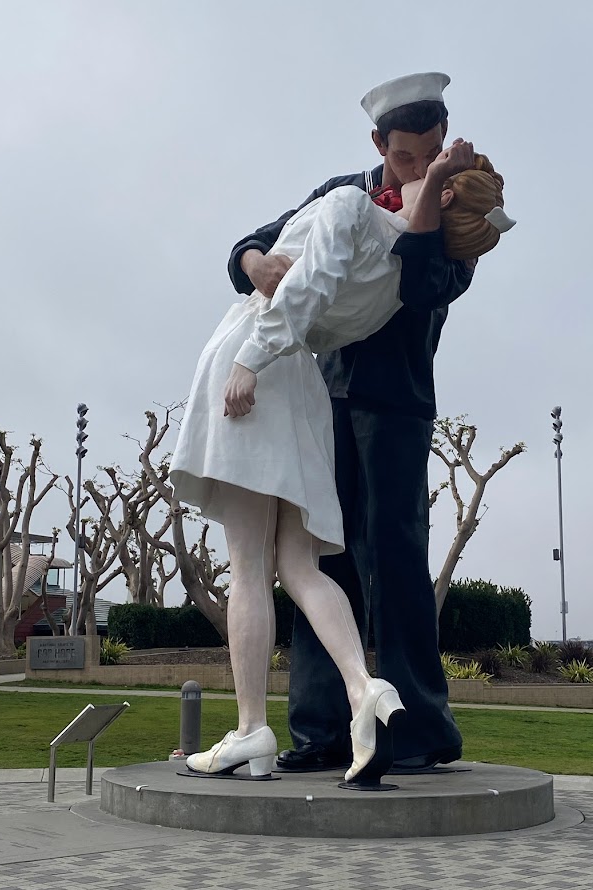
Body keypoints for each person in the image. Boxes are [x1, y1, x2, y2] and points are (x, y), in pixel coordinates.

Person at [170, 120, 514, 785]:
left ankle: (409, 726)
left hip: (383, 401)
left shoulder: (449, 244)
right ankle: (329, 721)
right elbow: (255, 244)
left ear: (443, 149)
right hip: (316, 391)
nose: (414, 168)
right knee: (314, 563)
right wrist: (256, 264)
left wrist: (438, 188)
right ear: (381, 146)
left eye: (427, 157)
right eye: (404, 156)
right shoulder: (346, 193)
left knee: (388, 558)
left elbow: (416, 282)